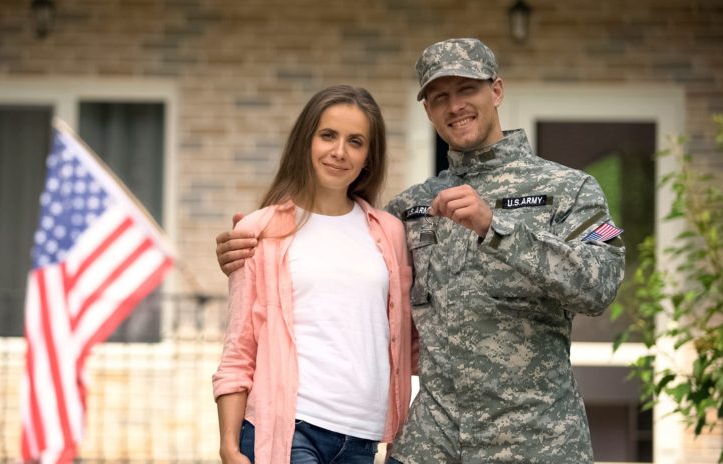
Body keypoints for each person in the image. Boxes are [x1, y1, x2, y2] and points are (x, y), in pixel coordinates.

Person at [215, 38, 626, 464]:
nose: (455, 105)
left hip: (536, 440)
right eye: (439, 96)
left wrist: (496, 228)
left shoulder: (571, 189)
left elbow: (601, 286)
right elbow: (345, 283)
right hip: (432, 441)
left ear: (497, 91)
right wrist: (247, 254)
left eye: (467, 89)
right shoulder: (408, 211)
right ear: (428, 110)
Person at [211, 84, 416, 464]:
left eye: (355, 141)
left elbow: (403, 336)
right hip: (288, 428)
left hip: (363, 436)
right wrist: (228, 445)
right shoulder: (260, 230)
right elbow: (239, 349)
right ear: (306, 141)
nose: (340, 151)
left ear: (368, 157)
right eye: (328, 136)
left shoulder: (389, 232)